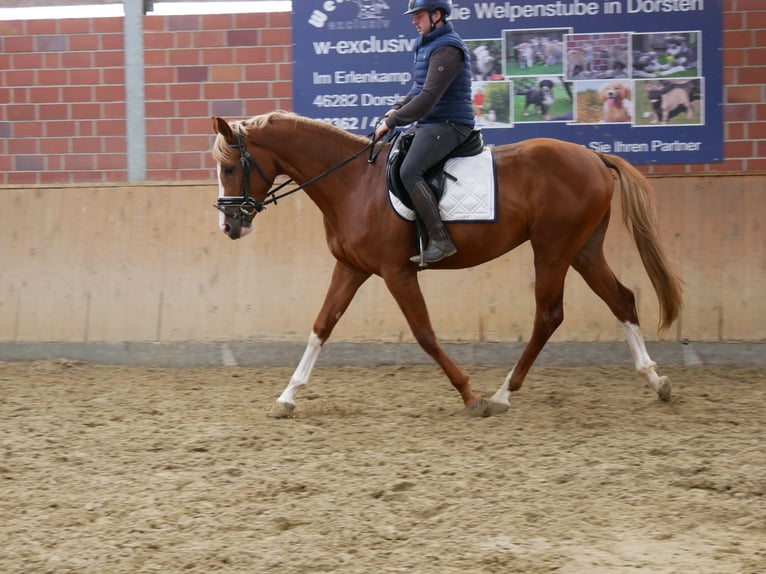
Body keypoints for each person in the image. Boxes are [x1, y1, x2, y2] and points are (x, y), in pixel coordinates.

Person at [375, 0, 475, 264]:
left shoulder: (447, 49)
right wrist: (396, 108)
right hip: (432, 123)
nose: (413, 21)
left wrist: (393, 121)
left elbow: (429, 98)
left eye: (418, 16)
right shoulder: (428, 45)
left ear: (437, 15)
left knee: (410, 170)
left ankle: (440, 239)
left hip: (450, 124)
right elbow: (418, 89)